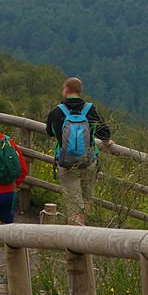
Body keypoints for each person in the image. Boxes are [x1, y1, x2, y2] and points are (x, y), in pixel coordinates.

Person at [46, 77, 113, 226]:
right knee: (87, 200)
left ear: (66, 90)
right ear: (79, 91)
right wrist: (108, 142)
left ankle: (75, 242)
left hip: (67, 163)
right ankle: (84, 233)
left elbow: (49, 132)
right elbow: (105, 133)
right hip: (88, 162)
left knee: (74, 205)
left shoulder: (57, 112)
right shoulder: (91, 110)